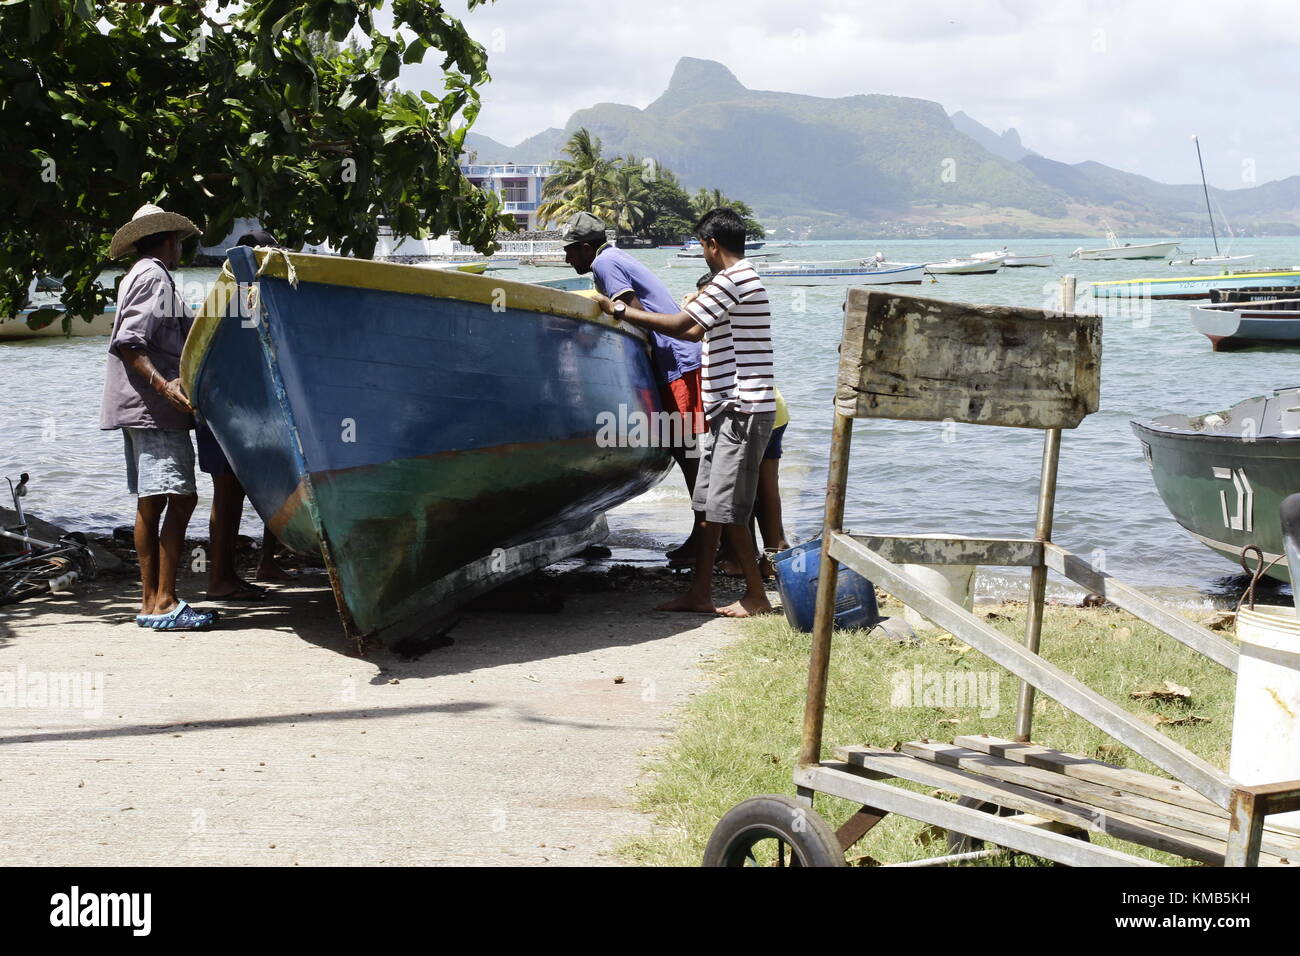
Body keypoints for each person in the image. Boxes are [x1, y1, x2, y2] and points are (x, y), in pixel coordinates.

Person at [593, 208, 776, 617]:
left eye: (701, 246)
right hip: (727, 407)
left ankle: (756, 596)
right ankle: (700, 592)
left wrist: (619, 311)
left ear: (712, 244)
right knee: (709, 502)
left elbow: (680, 326)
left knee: (727, 507)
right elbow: (695, 328)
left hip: (740, 407)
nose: (702, 254)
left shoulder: (731, 279)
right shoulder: (741, 279)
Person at [561, 212, 706, 562]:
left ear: (585, 248)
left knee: (687, 453)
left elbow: (636, 315)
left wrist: (606, 309)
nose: (566, 259)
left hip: (676, 362)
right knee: (685, 449)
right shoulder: (616, 257)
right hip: (679, 359)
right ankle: (712, 537)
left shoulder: (604, 265)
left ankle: (708, 540)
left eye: (569, 251)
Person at [99, 204, 217, 630]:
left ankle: (151, 604)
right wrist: (165, 385)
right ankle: (163, 601)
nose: (181, 248)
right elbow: (130, 342)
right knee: (179, 497)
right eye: (180, 242)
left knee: (152, 501)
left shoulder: (139, 273)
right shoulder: (154, 275)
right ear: (170, 240)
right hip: (153, 407)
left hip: (141, 406)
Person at [194, 229, 292, 598]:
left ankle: (257, 566)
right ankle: (220, 578)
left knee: (276, 484)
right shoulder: (246, 293)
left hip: (243, 406)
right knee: (229, 492)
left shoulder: (236, 293)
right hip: (230, 409)